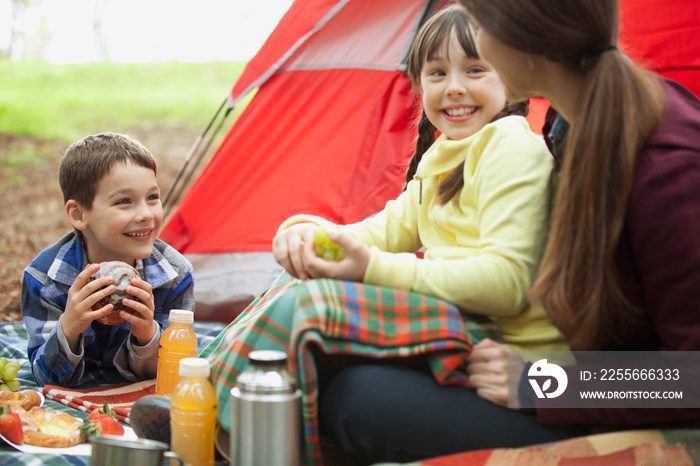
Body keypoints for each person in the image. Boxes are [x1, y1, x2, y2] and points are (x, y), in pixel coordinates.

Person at [318, 0, 700, 463]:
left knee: (357, 401)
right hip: (580, 377)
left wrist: (543, 381)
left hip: (649, 418)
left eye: (480, 25)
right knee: (339, 365)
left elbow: (691, 378)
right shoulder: (569, 120)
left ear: (526, 33)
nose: (471, 43)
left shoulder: (667, 166)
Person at [199, 5, 581, 465]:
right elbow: (379, 231)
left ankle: (212, 418)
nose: (455, 86)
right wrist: (308, 232)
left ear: (513, 78)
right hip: (471, 330)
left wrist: (370, 268)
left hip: (510, 353)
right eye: (437, 72)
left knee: (309, 306)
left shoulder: (511, 147)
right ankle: (207, 400)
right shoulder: (444, 154)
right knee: (299, 281)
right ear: (419, 86)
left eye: (475, 69)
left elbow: (507, 283)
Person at [21, 132, 195, 387]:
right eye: (124, 201)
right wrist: (69, 327)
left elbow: (170, 375)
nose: (146, 214)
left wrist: (147, 336)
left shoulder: (175, 276)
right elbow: (43, 377)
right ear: (79, 214)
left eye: (152, 197)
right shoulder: (45, 279)